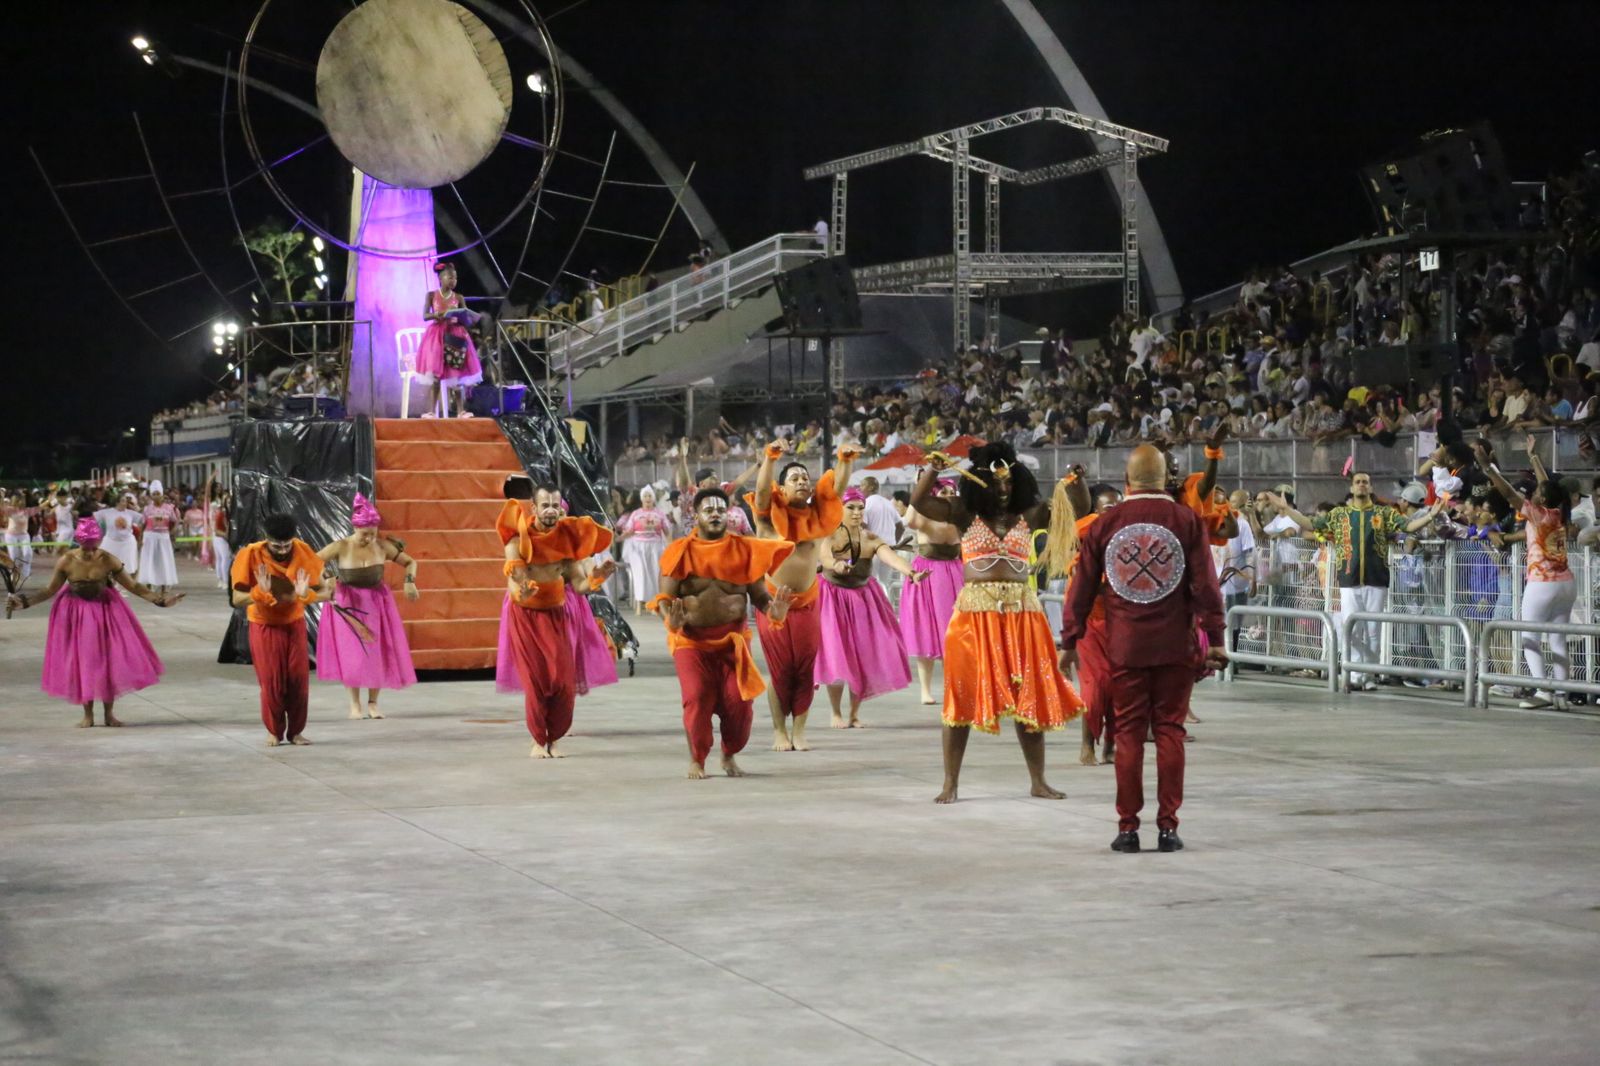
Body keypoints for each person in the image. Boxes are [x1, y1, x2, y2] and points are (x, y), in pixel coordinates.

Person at [1061, 445, 1228, 853]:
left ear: (1127, 481)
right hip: (1175, 646)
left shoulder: (1106, 523)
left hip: (1125, 648)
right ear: (1164, 478)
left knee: (1131, 734)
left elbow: (1080, 589)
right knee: (1170, 731)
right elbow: (1206, 585)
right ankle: (1168, 829)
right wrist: (1218, 639)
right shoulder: (1186, 520)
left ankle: (1128, 829)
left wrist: (1069, 639)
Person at [907, 441, 1084, 804]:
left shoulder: (1032, 513)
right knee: (961, 695)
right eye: (995, 484)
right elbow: (920, 504)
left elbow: (1077, 510)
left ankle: (1038, 780)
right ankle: (950, 783)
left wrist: (1077, 483)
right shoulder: (963, 513)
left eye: (1008, 483)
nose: (1003, 491)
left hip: (1023, 615)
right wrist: (934, 470)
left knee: (1028, 697)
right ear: (979, 484)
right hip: (974, 615)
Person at [657, 488, 795, 779]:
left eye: (721, 509)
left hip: (733, 644)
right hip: (692, 642)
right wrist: (671, 619)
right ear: (696, 515)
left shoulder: (746, 550)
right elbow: (665, 600)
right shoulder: (679, 551)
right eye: (709, 510)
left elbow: (758, 595)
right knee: (696, 697)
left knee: (739, 703)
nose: (716, 514)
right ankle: (697, 758)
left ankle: (728, 754)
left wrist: (773, 611)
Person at [1265, 472, 1446, 690]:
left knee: (1373, 633)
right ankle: (1356, 672)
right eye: (1358, 482)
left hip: (1376, 580)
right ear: (1352, 488)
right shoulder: (1339, 514)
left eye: (1365, 482)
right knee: (1348, 630)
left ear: (1370, 488)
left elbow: (1407, 527)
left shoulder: (1383, 513)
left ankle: (1366, 678)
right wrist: (1287, 510)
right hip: (1349, 581)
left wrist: (1430, 516)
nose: (1361, 485)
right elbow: (1310, 524)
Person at [6, 516, 181, 726]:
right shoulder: (67, 560)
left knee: (109, 659)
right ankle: (87, 714)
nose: (90, 551)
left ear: (98, 542)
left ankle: (109, 714)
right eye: (86, 546)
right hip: (75, 612)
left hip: (106, 609)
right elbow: (49, 590)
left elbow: (133, 586)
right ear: (79, 542)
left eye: (93, 546)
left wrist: (160, 601)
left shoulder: (108, 559)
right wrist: (24, 603)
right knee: (84, 660)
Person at [747, 439, 859, 751]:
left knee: (805, 669)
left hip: (809, 602)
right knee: (780, 670)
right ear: (781, 489)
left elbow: (834, 489)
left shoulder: (817, 520)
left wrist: (845, 461)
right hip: (773, 604)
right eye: (794, 478)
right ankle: (779, 730)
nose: (802, 481)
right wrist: (770, 458)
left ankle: (799, 729)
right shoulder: (767, 520)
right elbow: (760, 493)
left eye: (805, 478)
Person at [494, 476, 612, 758]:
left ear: (561, 509)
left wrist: (597, 578)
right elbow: (515, 582)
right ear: (533, 508)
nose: (550, 510)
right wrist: (521, 589)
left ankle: (555, 737)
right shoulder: (516, 540)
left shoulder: (566, 540)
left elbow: (579, 585)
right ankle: (538, 740)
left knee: (561, 679)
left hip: (557, 614)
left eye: (555, 505)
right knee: (536, 681)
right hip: (524, 615)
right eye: (544, 505)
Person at [1476, 436, 1576, 708]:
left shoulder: (1537, 514)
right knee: (1558, 639)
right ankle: (1561, 694)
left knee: (1528, 636)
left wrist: (1488, 468)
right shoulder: (1559, 512)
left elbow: (1508, 493)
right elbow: (1550, 487)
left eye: (1537, 491)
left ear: (1541, 498)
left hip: (1542, 583)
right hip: (1566, 582)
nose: (1532, 491)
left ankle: (1543, 692)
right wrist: (1533, 457)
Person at [815, 487, 922, 727]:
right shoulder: (831, 536)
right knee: (837, 654)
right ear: (840, 509)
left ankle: (853, 713)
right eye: (850, 507)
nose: (856, 513)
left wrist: (910, 572)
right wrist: (836, 565)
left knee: (862, 655)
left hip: (863, 597)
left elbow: (890, 557)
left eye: (860, 508)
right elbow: (825, 557)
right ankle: (836, 713)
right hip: (833, 598)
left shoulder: (870, 538)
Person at [315, 493, 420, 720]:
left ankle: (373, 702)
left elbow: (410, 562)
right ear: (355, 528)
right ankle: (354, 704)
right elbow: (312, 561)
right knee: (352, 654)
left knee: (376, 652)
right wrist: (327, 577)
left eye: (373, 534)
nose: (369, 539)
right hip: (347, 604)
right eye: (365, 535)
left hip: (376, 603)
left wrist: (409, 582)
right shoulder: (341, 546)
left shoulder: (382, 546)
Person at [230, 513, 325, 747]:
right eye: (276, 545)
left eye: (286, 545)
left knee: (298, 681)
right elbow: (236, 599)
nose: (282, 550)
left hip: (294, 623)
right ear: (266, 539)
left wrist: (307, 595)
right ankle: (274, 731)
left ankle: (296, 732)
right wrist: (257, 593)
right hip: (264, 625)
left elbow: (326, 591)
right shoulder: (250, 554)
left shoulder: (303, 551)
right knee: (272, 681)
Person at [899, 474, 964, 705]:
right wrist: (921, 487)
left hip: (956, 572)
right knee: (925, 631)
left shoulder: (960, 520)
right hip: (928, 573)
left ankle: (952, 686)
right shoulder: (924, 517)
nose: (948, 497)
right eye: (943, 493)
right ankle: (925, 689)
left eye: (951, 493)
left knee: (955, 631)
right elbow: (908, 519)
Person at [414, 260, 484, 418]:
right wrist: (438, 314)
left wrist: (464, 317)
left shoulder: (458, 297)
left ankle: (461, 411)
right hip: (437, 336)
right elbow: (425, 315)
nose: (453, 281)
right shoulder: (432, 295)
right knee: (436, 375)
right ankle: (432, 411)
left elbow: (465, 318)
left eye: (455, 278)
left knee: (456, 372)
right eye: (450, 277)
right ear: (441, 278)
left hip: (455, 334)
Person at [563, 554, 620, 695]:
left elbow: (581, 583)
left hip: (568, 610)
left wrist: (597, 576)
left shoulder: (576, 552)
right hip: (535, 609)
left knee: (564, 670)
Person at [618, 486, 671, 615]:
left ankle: (655, 603)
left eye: (649, 496)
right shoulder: (636, 514)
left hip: (655, 546)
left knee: (655, 573)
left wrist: (671, 545)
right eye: (645, 496)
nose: (648, 499)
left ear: (653, 499)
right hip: (639, 547)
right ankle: (639, 604)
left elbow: (667, 530)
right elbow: (629, 530)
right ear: (642, 499)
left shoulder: (659, 513)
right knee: (640, 574)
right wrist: (618, 538)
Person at [857, 476, 902, 592]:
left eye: (862, 485)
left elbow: (863, 526)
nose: (860, 488)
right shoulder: (888, 503)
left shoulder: (866, 504)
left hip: (874, 550)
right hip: (889, 549)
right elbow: (900, 526)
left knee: (872, 583)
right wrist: (895, 543)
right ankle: (886, 607)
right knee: (884, 583)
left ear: (871, 487)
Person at [138, 481, 181, 593]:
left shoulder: (169, 508)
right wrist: (140, 540)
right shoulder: (147, 509)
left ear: (161, 494)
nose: (156, 496)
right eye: (154, 494)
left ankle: (163, 586)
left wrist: (172, 532)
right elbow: (142, 525)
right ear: (151, 496)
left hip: (163, 537)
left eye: (158, 493)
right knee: (150, 560)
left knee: (163, 560)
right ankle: (149, 583)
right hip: (149, 537)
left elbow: (175, 521)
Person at [97, 493, 142, 576]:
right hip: (111, 542)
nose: (125, 503)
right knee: (108, 566)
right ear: (117, 502)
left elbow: (143, 519)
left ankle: (130, 585)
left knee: (130, 567)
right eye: (123, 501)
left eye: (126, 501)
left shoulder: (130, 513)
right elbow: (92, 517)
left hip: (127, 543)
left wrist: (135, 507)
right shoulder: (107, 512)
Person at [2, 493, 34, 582]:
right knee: (13, 555)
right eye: (18, 500)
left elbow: (41, 507)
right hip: (11, 536)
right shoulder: (10, 510)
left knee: (28, 553)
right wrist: (1, 496)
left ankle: (26, 573)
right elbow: (1, 506)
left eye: (22, 499)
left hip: (24, 535)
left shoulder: (27, 511)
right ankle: (13, 573)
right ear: (15, 501)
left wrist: (49, 500)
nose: (21, 501)